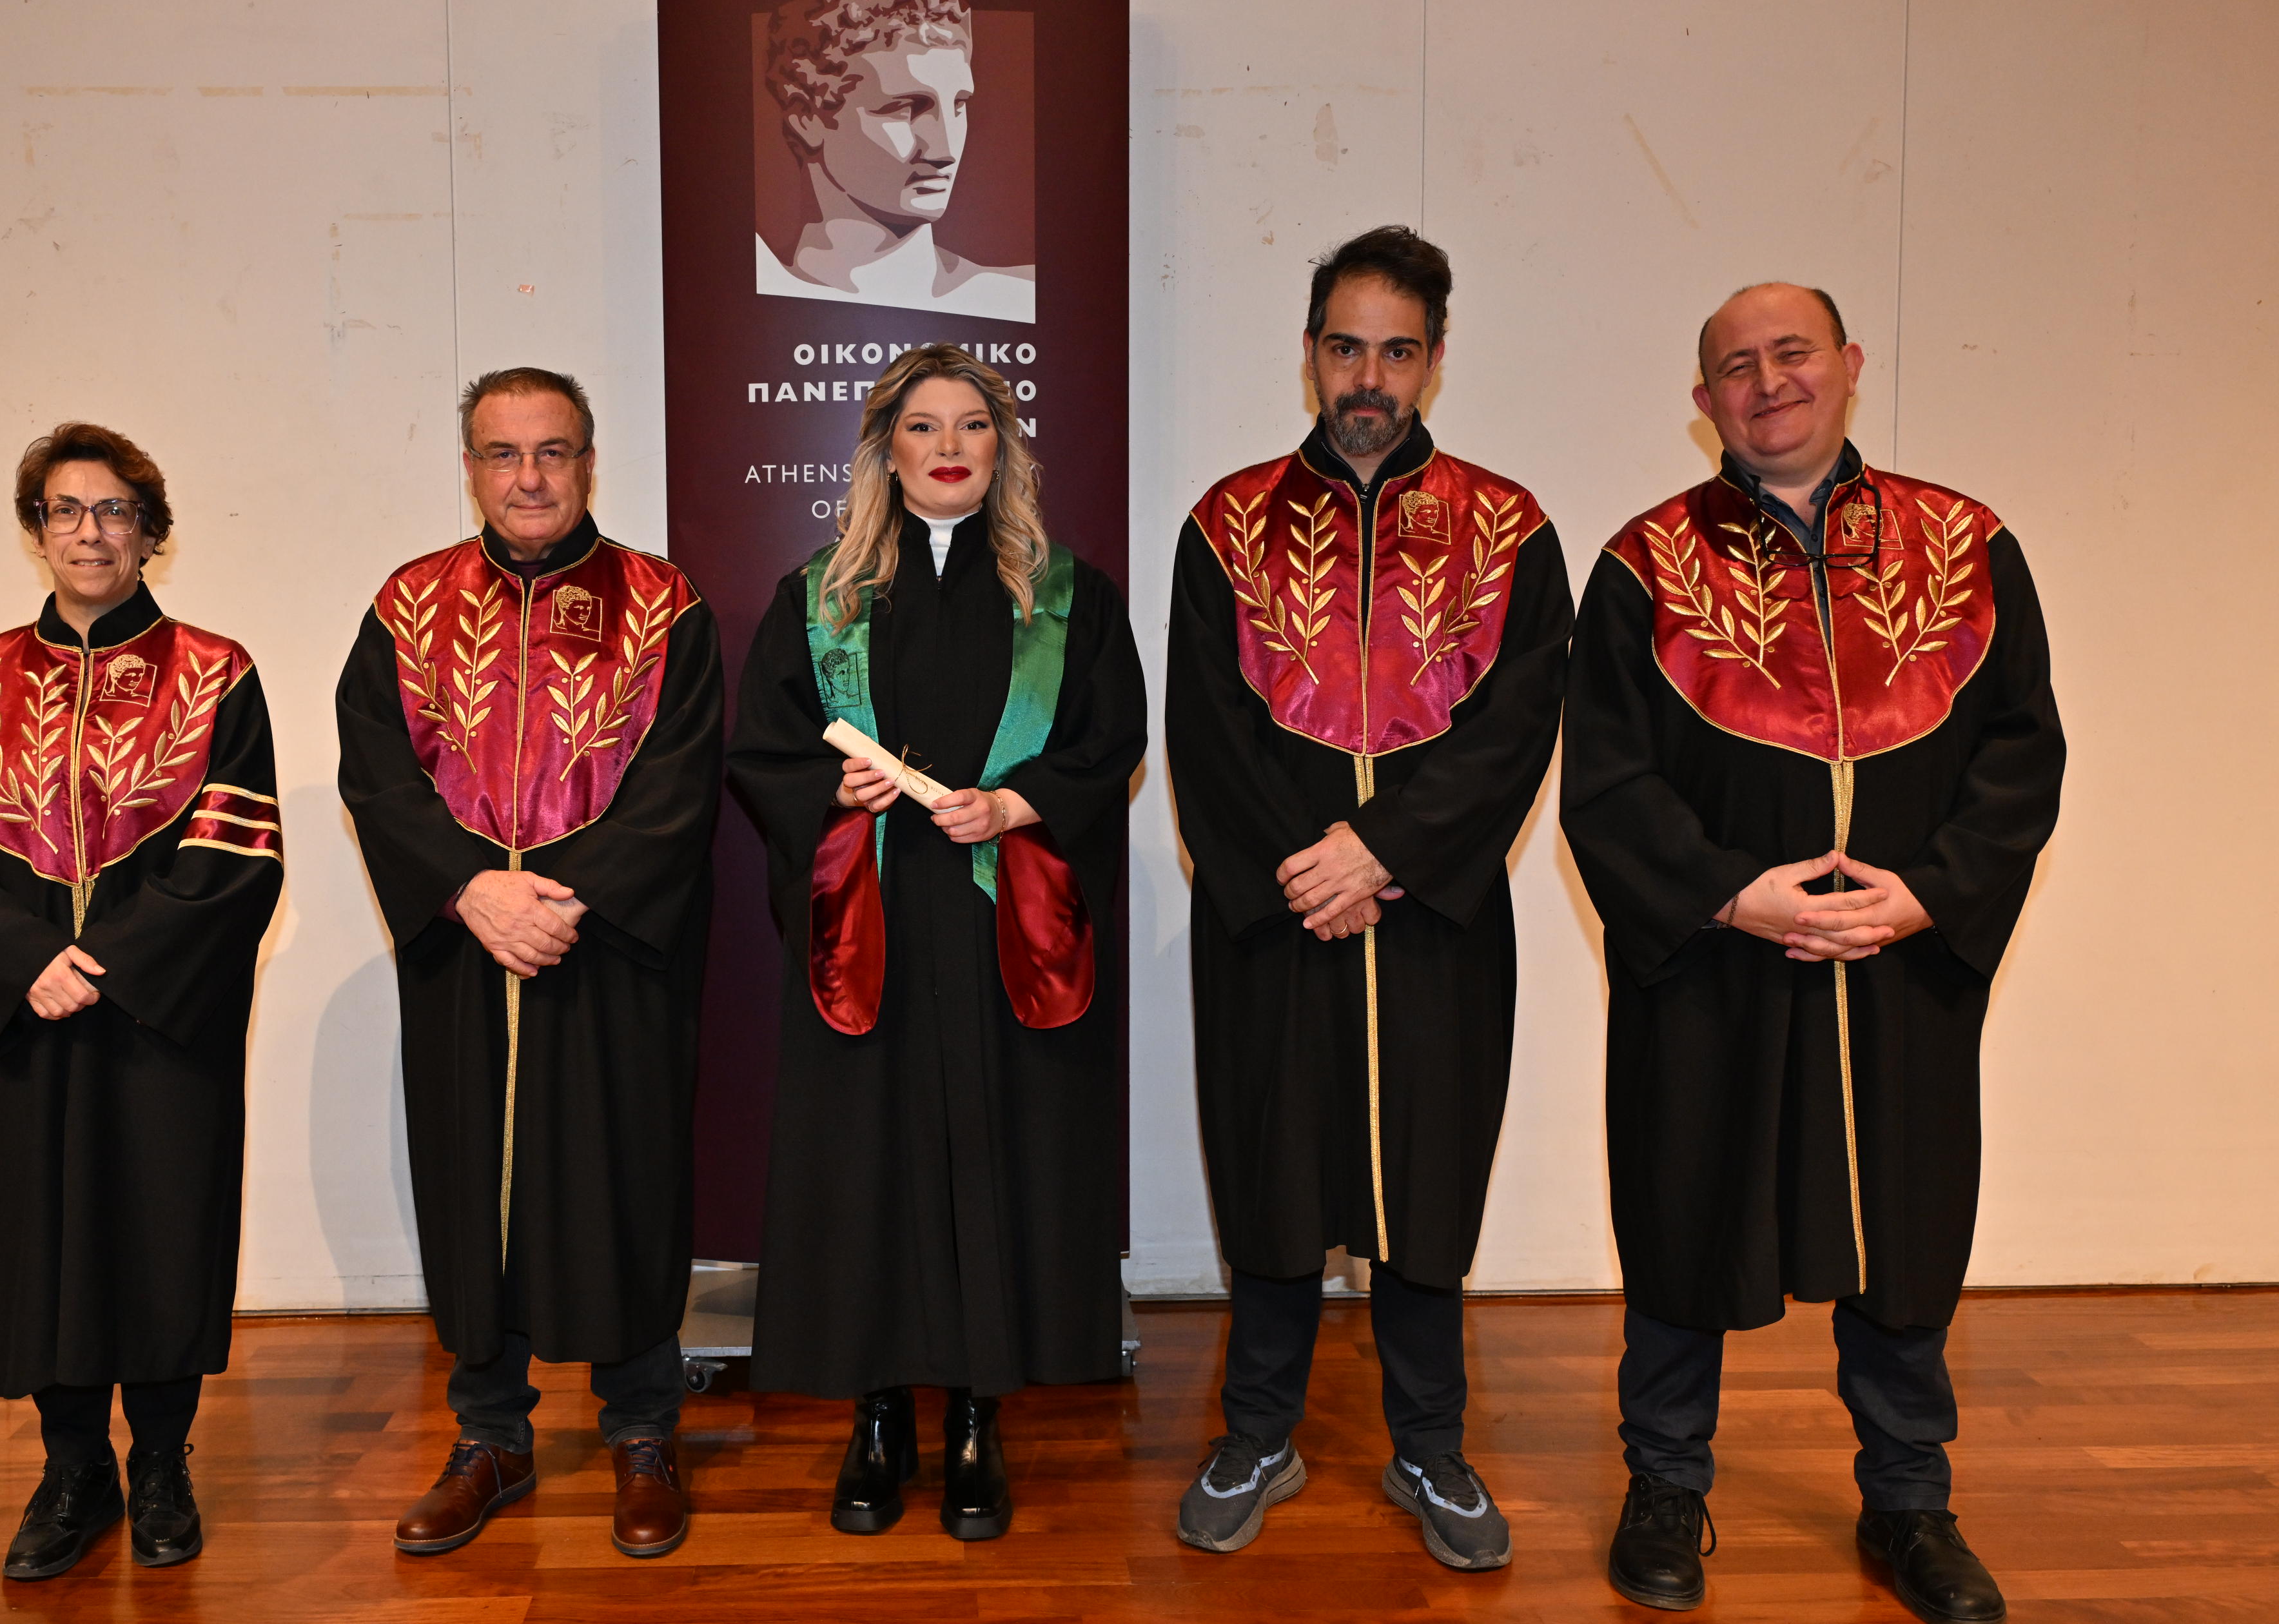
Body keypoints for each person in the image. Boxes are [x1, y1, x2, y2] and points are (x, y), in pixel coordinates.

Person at [1562, 284, 2064, 1621]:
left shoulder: (1965, 546)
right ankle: (1665, 1480)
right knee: (1683, 1210)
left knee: (1902, 1227)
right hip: (1713, 960)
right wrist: (1733, 895)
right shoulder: (1642, 565)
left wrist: (1927, 897)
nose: (1767, 381)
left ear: (1848, 364)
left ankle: (1909, 1498)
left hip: (1896, 956)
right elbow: (1606, 781)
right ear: (1703, 401)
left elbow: (2021, 752)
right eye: (1736, 366)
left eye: (1791, 353)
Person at [1166, 227, 1569, 1569]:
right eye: (1346, 347)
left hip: (1434, 915)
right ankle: (1257, 1432)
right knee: (1274, 1176)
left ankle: (1431, 1444)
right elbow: (1207, 730)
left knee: (1425, 1182)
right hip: (1275, 910)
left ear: (1435, 360)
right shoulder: (1225, 524)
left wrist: (1383, 851)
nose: (1368, 378)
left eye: (1397, 351)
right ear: (1309, 352)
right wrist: (1312, 872)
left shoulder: (1510, 529)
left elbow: (1517, 727)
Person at [729, 344, 1144, 1538]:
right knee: (867, 1164)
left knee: (993, 1158)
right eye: (923, 426)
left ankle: (975, 1414)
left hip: (997, 917)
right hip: (869, 920)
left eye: (972, 424)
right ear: (885, 449)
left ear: (1002, 448)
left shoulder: (1064, 597)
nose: (949, 446)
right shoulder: (820, 598)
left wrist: (1016, 805)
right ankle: (875, 1415)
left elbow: (1109, 739)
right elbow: (763, 747)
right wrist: (833, 790)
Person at [338, 367, 722, 1560]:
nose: (530, 477)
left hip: (606, 944)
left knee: (624, 1177)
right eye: (503, 454)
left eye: (552, 452)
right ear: (470, 469)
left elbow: (680, 780)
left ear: (589, 462)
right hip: (465, 942)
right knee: (472, 1185)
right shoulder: (408, 605)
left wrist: (565, 898)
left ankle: (643, 1428)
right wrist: (470, 888)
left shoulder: (663, 604)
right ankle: (491, 1435)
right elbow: (376, 771)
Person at [0, 424, 283, 1581]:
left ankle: (160, 1463)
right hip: (22, 1012)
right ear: (37, 531)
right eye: (65, 510)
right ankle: (72, 1468)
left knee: (164, 1228)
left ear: (150, 531)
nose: (89, 531)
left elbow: (237, 850)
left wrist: (107, 963)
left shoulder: (215, 673)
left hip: (163, 1013)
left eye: (113, 510)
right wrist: (29, 960)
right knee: (39, 1234)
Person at [758, 0, 1035, 321]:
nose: (945, 150)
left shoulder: (1019, 296)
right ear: (807, 118)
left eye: (959, 105)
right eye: (906, 108)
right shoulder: (748, 297)